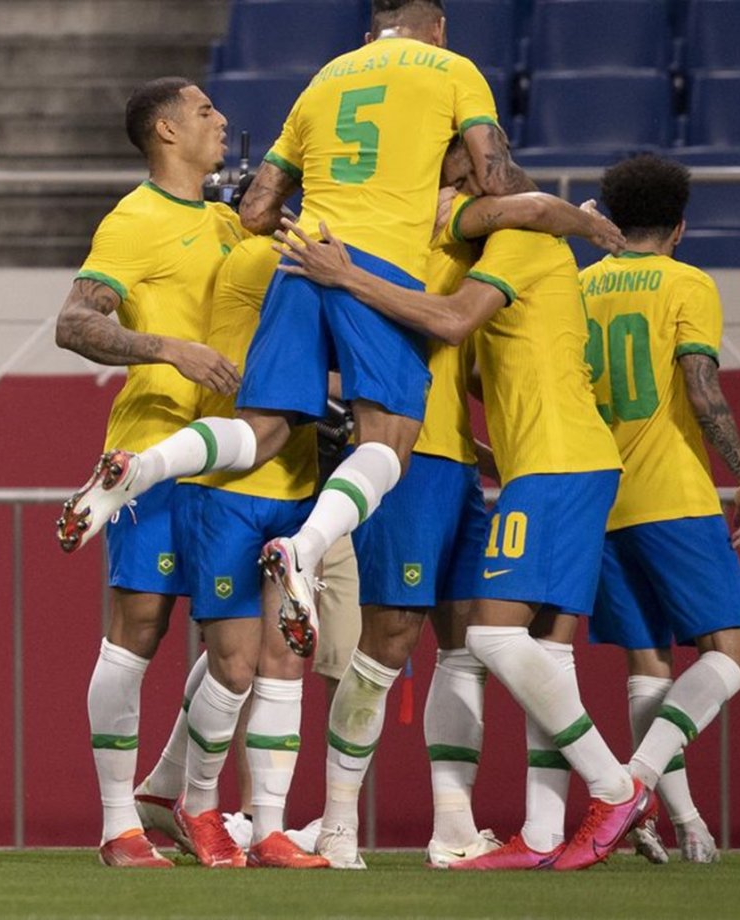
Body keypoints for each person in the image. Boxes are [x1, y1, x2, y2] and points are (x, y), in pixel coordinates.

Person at [55, 0, 535, 663]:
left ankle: (140, 468)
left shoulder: (326, 78)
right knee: (390, 442)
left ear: (371, 33)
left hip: (299, 259)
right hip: (370, 267)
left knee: (263, 428)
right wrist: (541, 211)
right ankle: (302, 550)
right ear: (439, 28)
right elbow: (494, 175)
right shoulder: (453, 70)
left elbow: (255, 209)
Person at [273, 144, 651, 873]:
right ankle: (341, 825)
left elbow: (472, 320)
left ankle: (460, 825)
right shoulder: (404, 231)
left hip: (502, 467)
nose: (473, 169)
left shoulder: (485, 244)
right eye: (463, 154)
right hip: (425, 461)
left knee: (472, 643)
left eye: (480, 159)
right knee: (394, 642)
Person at [52, 76, 243, 868]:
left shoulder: (231, 221)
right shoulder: (133, 220)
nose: (222, 119)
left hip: (239, 454)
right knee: (139, 633)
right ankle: (115, 826)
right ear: (165, 131)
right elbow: (73, 321)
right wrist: (169, 347)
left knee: (238, 646)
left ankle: (189, 800)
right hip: (155, 447)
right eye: (204, 111)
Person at [124, 232, 331, 870]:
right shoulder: (264, 256)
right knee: (236, 667)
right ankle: (200, 804)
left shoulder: (320, 257)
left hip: (295, 483)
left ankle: (268, 827)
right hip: (225, 491)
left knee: (286, 663)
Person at [580, 153, 740, 862]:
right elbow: (698, 381)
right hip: (670, 492)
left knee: (648, 662)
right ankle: (632, 781)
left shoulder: (582, 284)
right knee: (732, 654)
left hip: (600, 494)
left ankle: (689, 829)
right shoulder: (688, 282)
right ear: (680, 227)